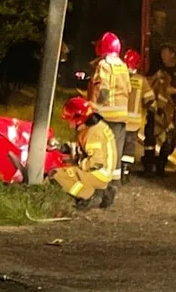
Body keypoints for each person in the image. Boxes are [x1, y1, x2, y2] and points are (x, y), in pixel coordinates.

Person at [49, 96, 118, 209]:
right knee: (66, 165)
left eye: (70, 120)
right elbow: (84, 149)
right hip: (103, 172)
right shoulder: (93, 127)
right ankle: (103, 191)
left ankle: (89, 196)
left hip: (98, 173)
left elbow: (96, 163)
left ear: (79, 119)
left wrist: (77, 164)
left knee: (57, 175)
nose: (70, 125)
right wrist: (65, 148)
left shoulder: (93, 133)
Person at [86, 32, 132, 182]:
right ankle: (114, 182)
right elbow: (128, 89)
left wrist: (96, 106)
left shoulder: (104, 65)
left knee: (103, 149)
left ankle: (101, 182)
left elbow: (104, 89)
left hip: (106, 115)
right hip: (121, 116)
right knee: (116, 150)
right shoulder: (123, 65)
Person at [119, 48, 156, 180]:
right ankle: (125, 171)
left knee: (117, 145)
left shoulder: (118, 78)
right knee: (129, 148)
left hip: (118, 120)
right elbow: (150, 99)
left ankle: (115, 172)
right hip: (133, 123)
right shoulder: (141, 80)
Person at [141, 70, 176, 176]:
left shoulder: (164, 92)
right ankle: (152, 167)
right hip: (155, 118)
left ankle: (157, 167)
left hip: (160, 118)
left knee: (167, 142)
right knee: (151, 143)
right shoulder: (159, 89)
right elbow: (158, 107)